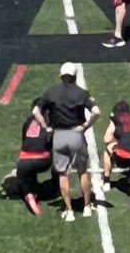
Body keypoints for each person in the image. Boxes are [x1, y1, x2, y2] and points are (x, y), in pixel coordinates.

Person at [32, 62, 100, 222]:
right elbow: (96, 111)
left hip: (59, 136)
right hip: (76, 134)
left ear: (60, 76)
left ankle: (69, 210)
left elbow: (36, 111)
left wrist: (46, 127)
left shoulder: (51, 92)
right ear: (75, 76)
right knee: (83, 171)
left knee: (63, 174)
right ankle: (86, 206)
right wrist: (85, 126)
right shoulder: (81, 93)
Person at [2, 97, 52, 216]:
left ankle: (30, 194)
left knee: (27, 172)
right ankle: (56, 183)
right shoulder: (51, 120)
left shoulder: (28, 121)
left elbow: (24, 141)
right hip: (42, 160)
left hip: (24, 160)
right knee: (57, 160)